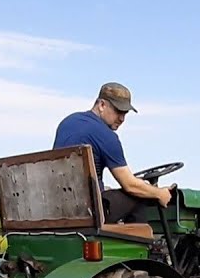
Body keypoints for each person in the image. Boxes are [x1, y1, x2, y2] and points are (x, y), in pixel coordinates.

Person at [53, 82, 173, 224]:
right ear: (102, 105)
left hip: (58, 206)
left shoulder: (67, 122)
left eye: (125, 113)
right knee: (141, 195)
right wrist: (160, 193)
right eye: (118, 111)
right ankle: (142, 245)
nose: (122, 119)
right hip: (89, 212)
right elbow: (130, 185)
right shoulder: (106, 136)